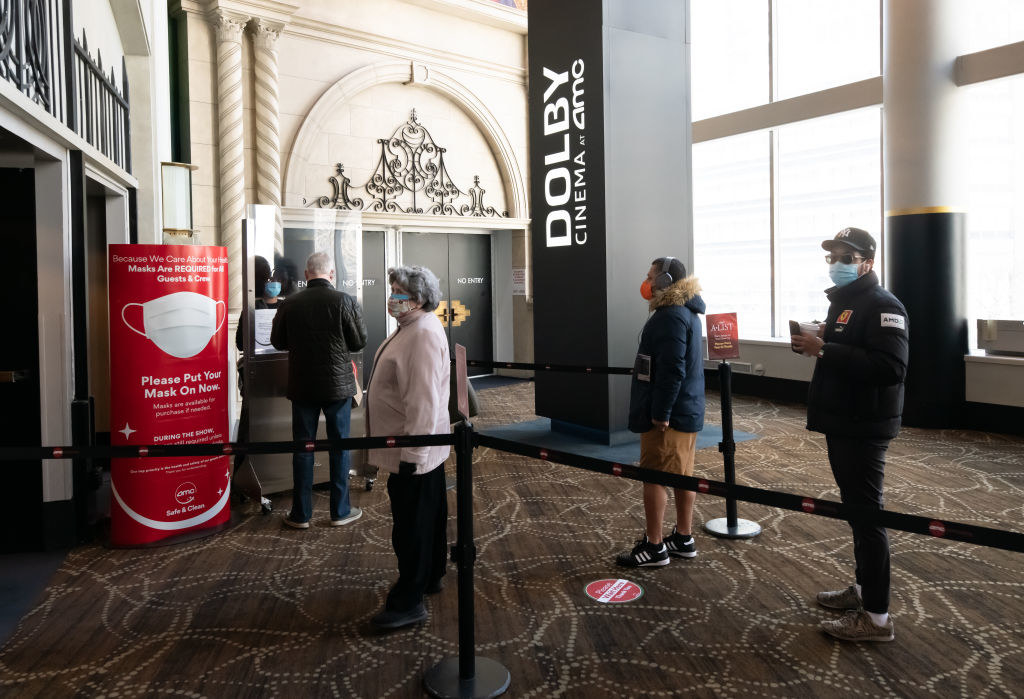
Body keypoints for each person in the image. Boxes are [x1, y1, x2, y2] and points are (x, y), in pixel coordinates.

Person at [791, 227, 909, 643]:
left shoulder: (881, 304)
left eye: (847, 256)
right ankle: (863, 590)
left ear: (868, 262)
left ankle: (876, 618)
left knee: (867, 515)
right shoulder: (849, 305)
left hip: (864, 427)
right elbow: (851, 348)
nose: (837, 263)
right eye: (833, 256)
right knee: (857, 512)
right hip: (845, 421)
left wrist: (823, 349)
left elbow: (890, 367)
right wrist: (823, 336)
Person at [365, 265, 451, 630]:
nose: (392, 297)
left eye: (398, 291)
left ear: (417, 299)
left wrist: (413, 458)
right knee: (427, 517)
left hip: (412, 454)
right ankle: (431, 575)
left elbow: (423, 403)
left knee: (411, 527)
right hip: (417, 452)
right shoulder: (413, 327)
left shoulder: (422, 334)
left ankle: (408, 601)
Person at [617, 256, 706, 568]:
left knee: (653, 475)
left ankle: (655, 546)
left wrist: (661, 414)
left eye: (651, 275)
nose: (647, 280)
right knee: (683, 476)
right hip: (687, 410)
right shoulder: (687, 312)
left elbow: (672, 370)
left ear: (666, 281)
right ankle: (683, 537)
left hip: (670, 416)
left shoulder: (670, 316)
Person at [270, 251, 367, 529]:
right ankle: (340, 511)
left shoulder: (290, 303)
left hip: (302, 386)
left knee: (302, 448)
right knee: (340, 447)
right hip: (338, 387)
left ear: (306, 274)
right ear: (332, 274)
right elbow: (359, 341)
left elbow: (277, 341)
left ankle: (301, 515)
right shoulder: (344, 301)